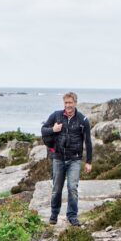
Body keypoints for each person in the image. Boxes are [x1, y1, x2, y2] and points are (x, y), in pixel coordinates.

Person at [40, 92, 93, 226]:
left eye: (70, 103)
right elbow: (43, 130)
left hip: (74, 160)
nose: (68, 105)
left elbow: (88, 142)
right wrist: (53, 129)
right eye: (66, 103)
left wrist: (88, 162)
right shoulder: (56, 115)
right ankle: (54, 214)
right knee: (57, 189)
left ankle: (72, 216)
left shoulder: (83, 120)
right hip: (58, 158)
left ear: (75, 103)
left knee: (72, 188)